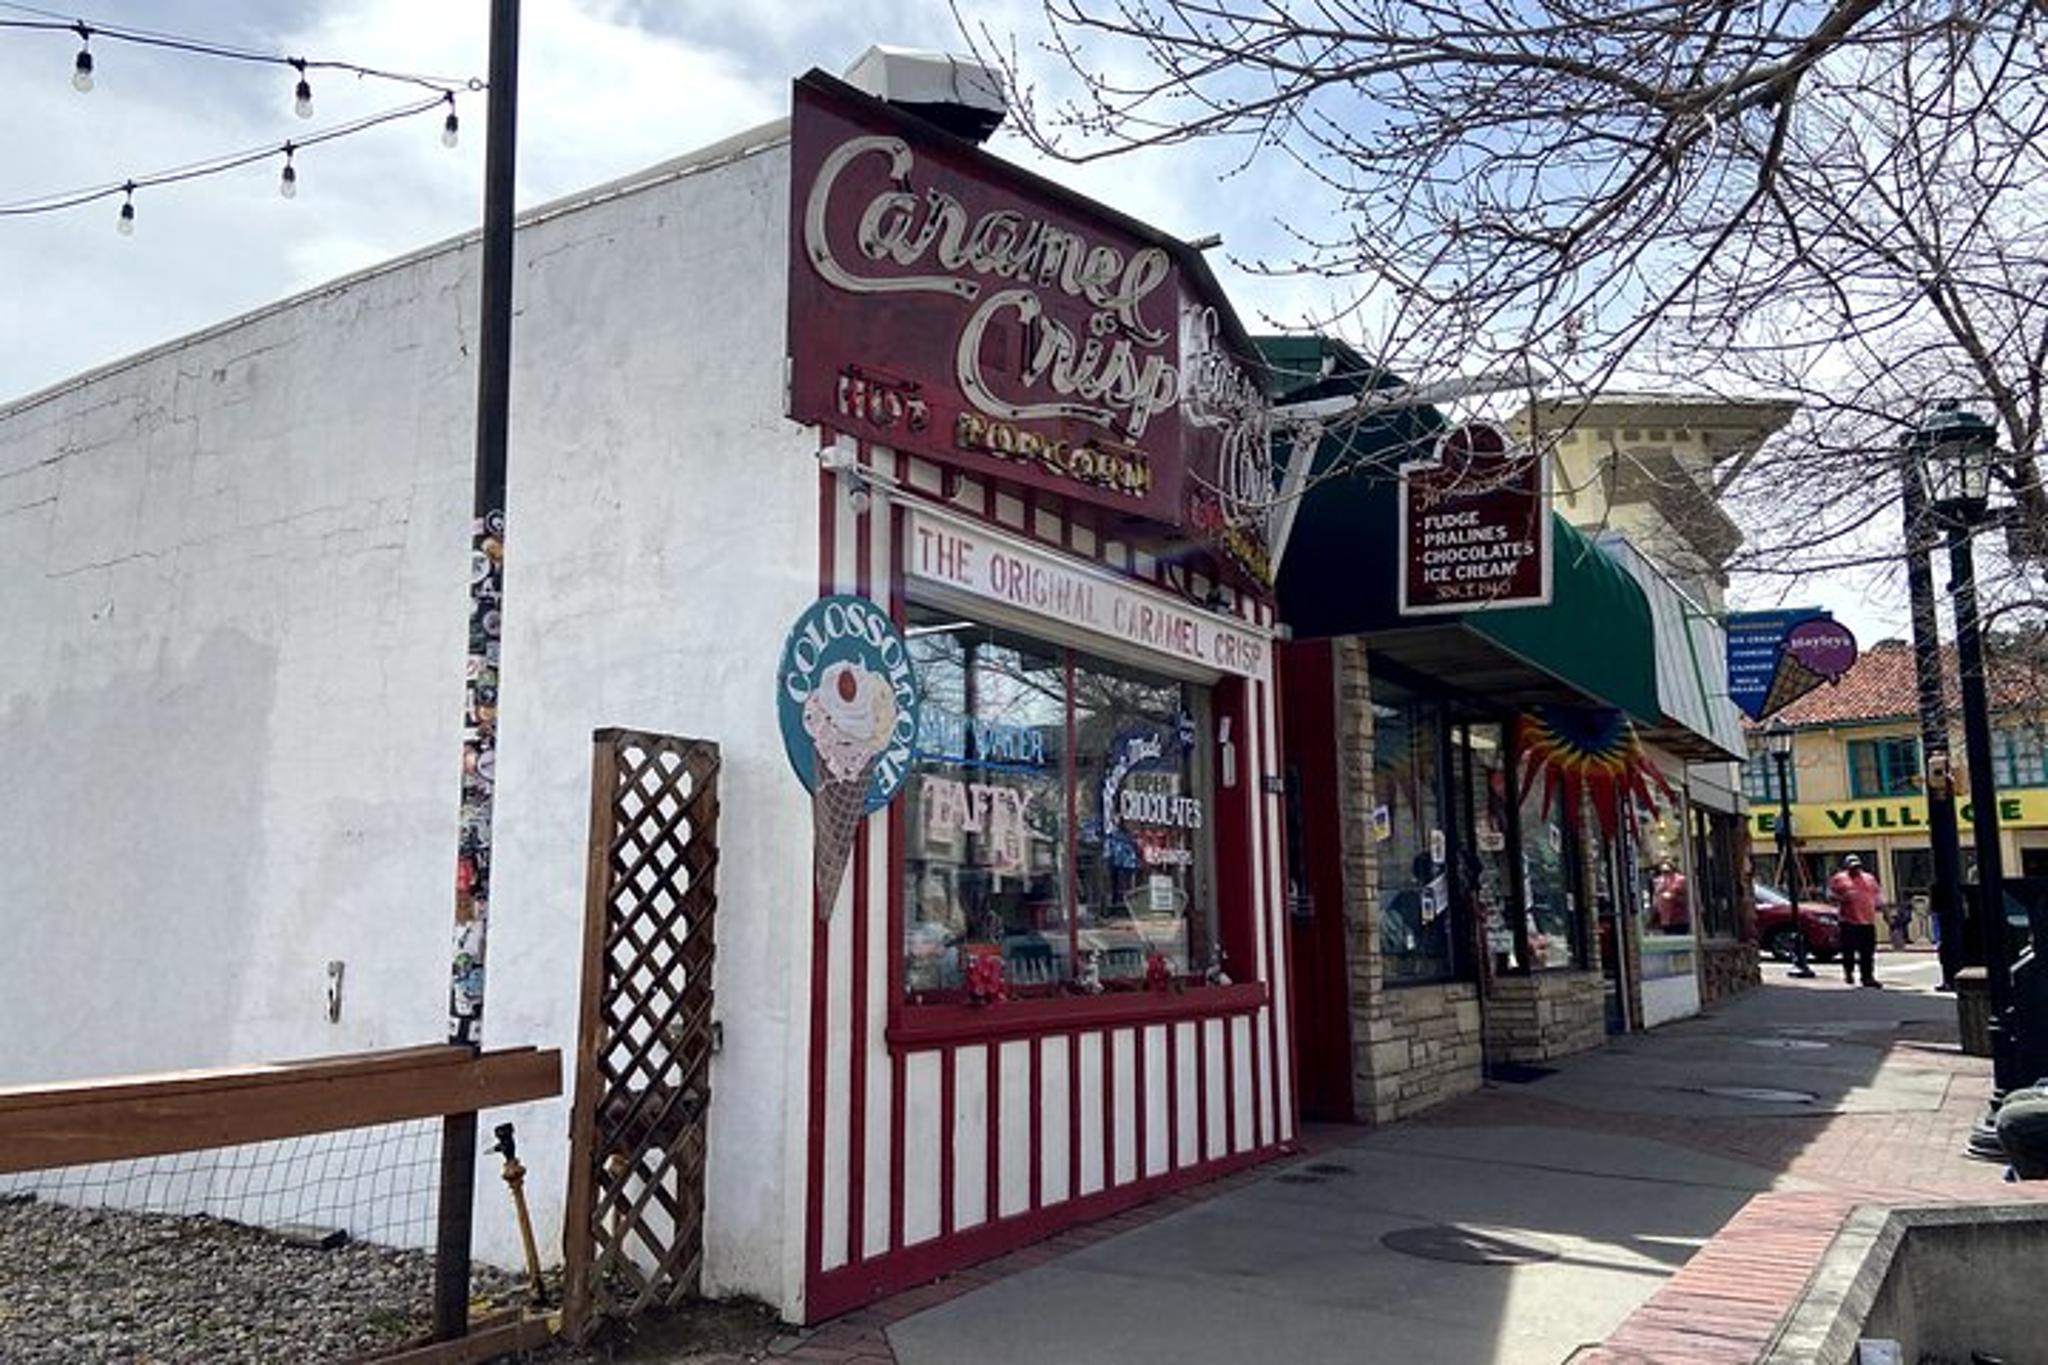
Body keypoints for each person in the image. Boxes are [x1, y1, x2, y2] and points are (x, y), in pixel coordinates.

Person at [1828, 854, 1884, 988]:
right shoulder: (1839, 879)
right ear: (1846, 867)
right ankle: (1849, 972)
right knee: (1848, 951)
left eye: (1857, 866)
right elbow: (1830, 896)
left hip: (1867, 921)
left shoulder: (1869, 878)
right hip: (1848, 921)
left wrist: (1886, 914)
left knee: (1867, 952)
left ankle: (1867, 977)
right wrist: (1842, 898)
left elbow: (1877, 896)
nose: (1855, 869)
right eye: (1852, 867)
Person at [1652, 860, 1690, 933]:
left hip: (1679, 915)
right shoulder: (1658, 881)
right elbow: (1656, 895)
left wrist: (1672, 896)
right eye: (1663, 871)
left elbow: (1683, 893)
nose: (1665, 874)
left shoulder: (1680, 879)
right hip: (1665, 916)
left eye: (1667, 871)